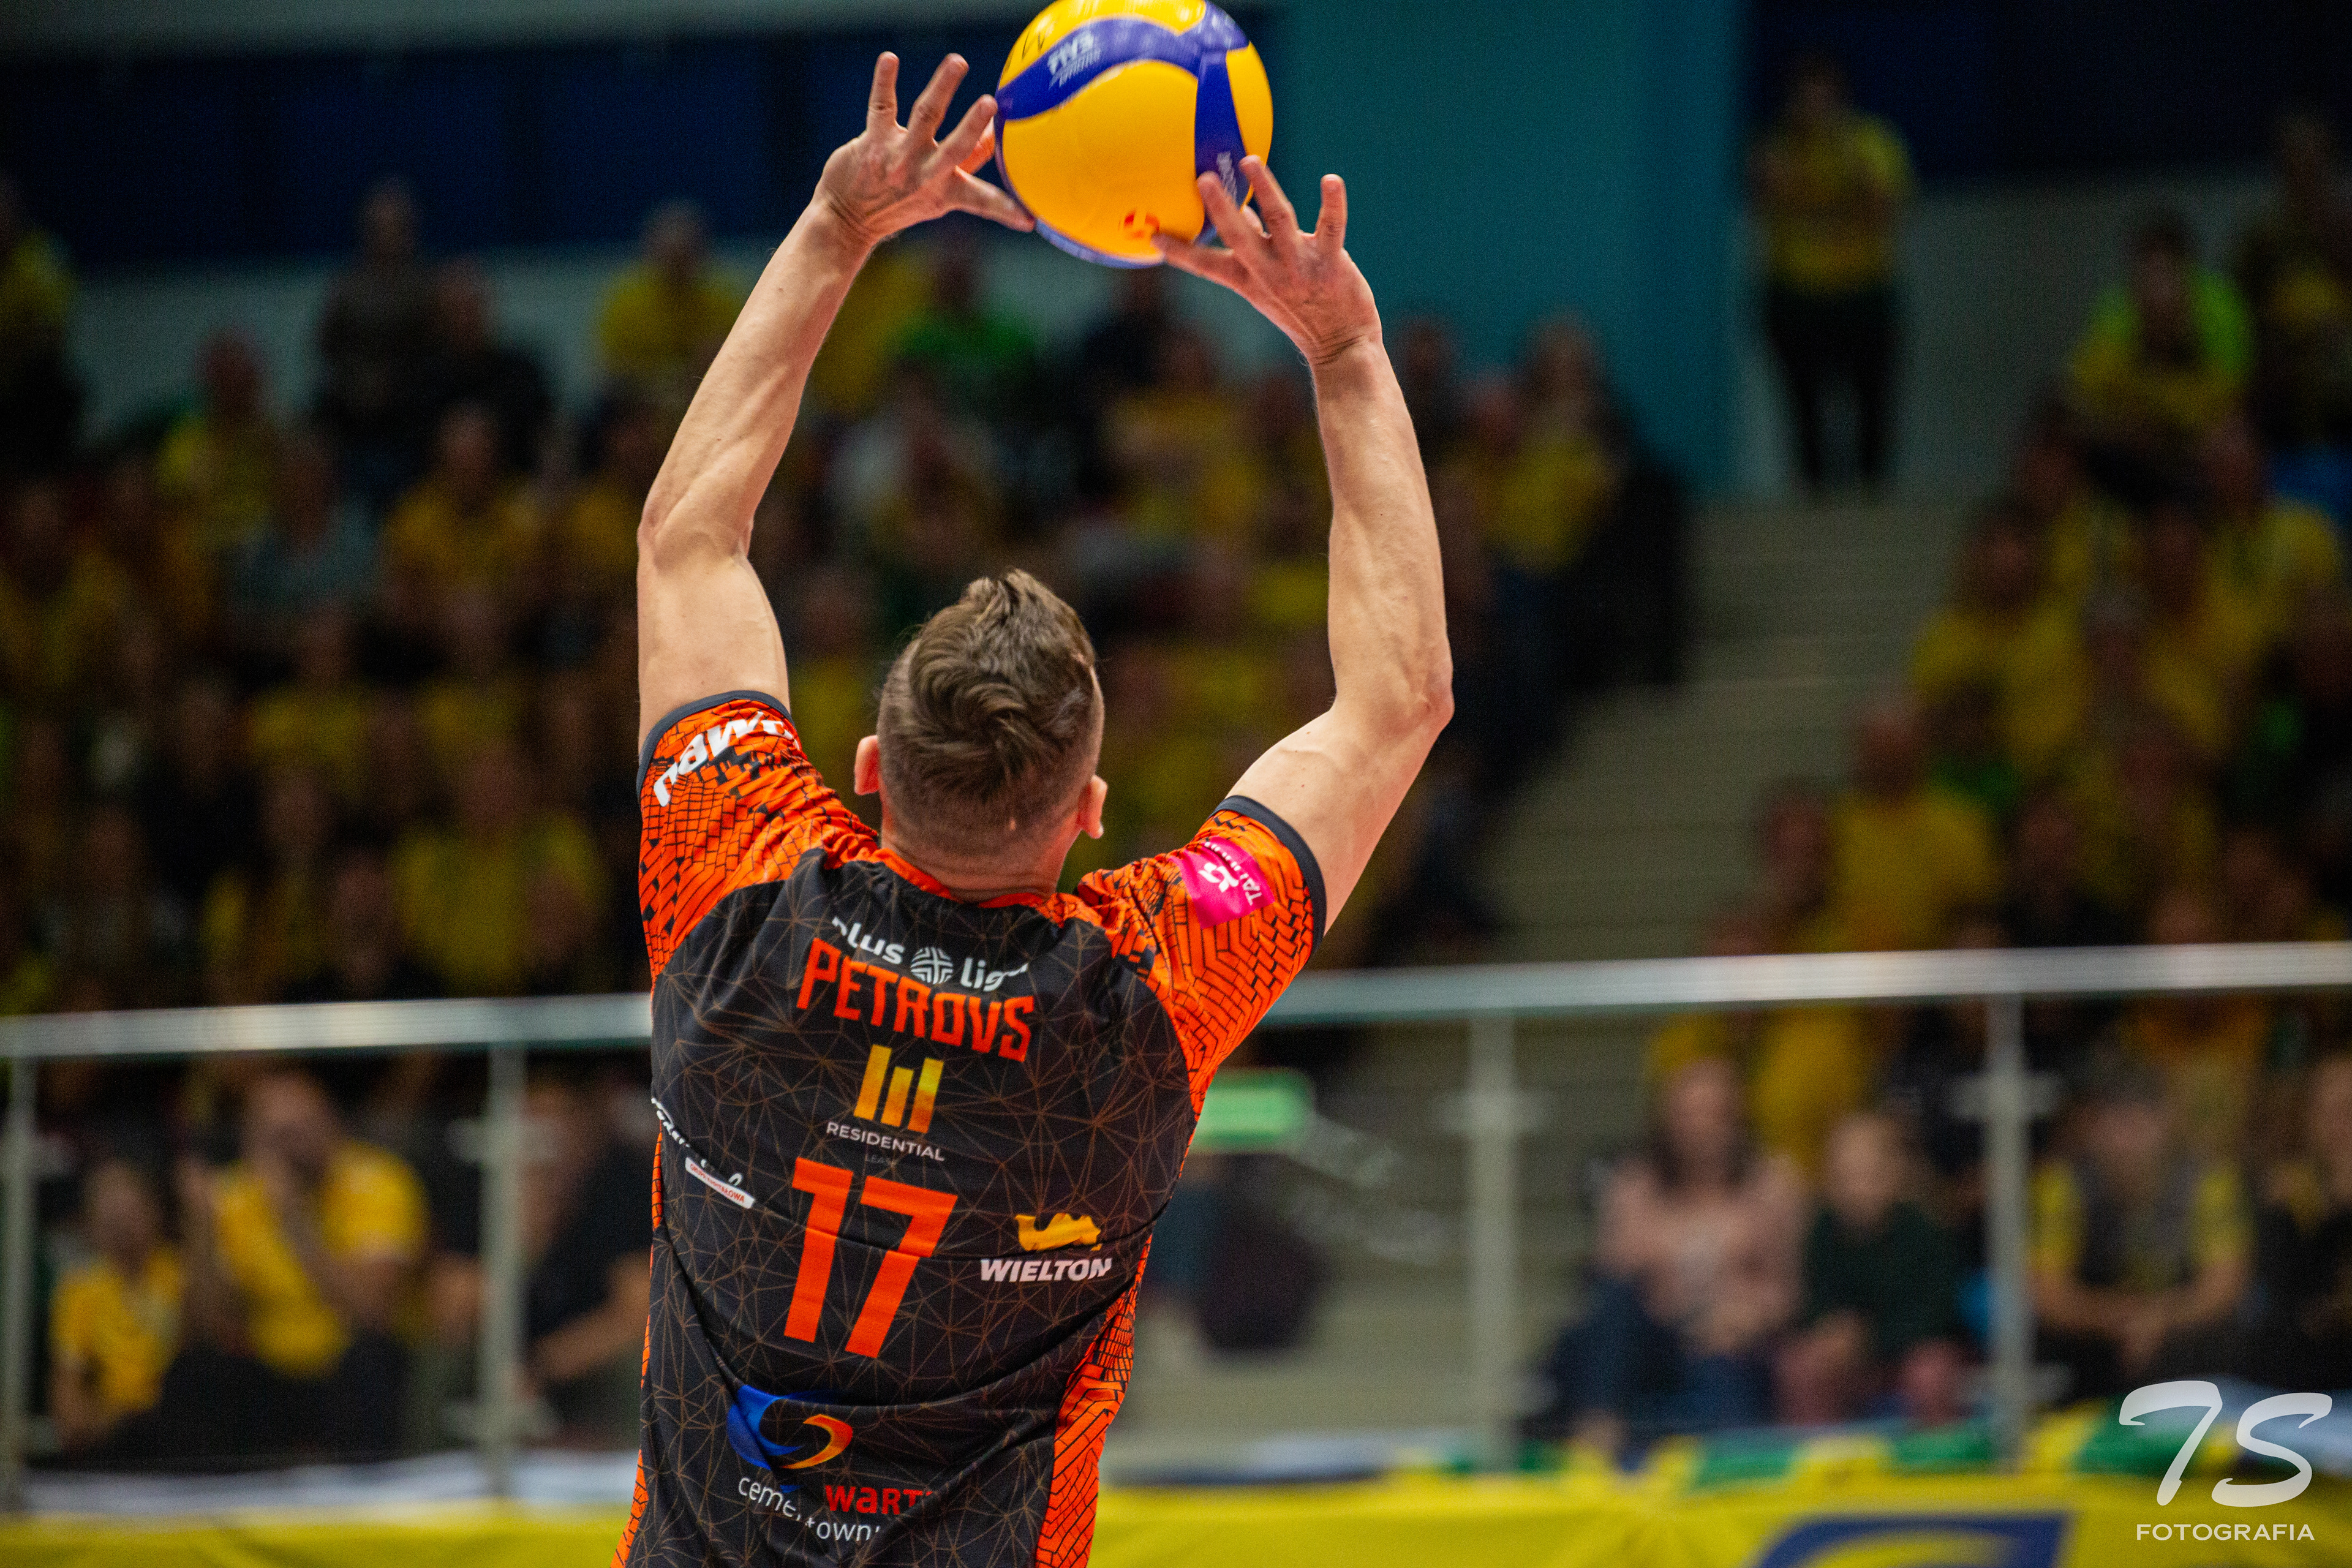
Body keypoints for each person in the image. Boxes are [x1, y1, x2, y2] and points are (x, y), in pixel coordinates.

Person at [619, 51, 1449, 1567]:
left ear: (869, 770)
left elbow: (688, 543)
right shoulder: (1149, 983)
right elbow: (1397, 700)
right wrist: (1342, 351)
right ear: (1091, 813)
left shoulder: (732, 875)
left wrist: (836, 229)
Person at [1529, 1056, 1804, 1457]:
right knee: (1609, 1312)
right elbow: (1611, 1275)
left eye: (1714, 1113)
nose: (1701, 1128)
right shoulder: (1634, 1183)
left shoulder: (1771, 1185)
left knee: (1723, 1381)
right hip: (1651, 1338)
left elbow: (1791, 1288)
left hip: (1733, 1345)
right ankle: (1597, 1431)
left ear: (1737, 1119)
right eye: (1688, 1114)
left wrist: (1748, 1316)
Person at [168, 1069, 427, 1461]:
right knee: (195, 1370)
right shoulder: (234, 1196)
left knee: (372, 1361)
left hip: (346, 1366)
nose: (292, 1150)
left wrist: (294, 1222)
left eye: (302, 1129)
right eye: (277, 1136)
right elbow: (206, 1324)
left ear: (333, 1125)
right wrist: (202, 1234)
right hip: (267, 1372)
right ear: (251, 1142)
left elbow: (372, 1312)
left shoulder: (379, 1181)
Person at [2032, 1057, 2251, 1401]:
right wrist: (2119, 1319)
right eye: (2114, 1123)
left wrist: (2159, 1318)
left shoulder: (2210, 1182)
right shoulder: (2063, 1185)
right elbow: (2048, 1294)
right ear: (2091, 1127)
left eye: (2139, 1122)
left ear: (2167, 1120)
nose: (2127, 1141)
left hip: (2184, 1348)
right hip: (2091, 1351)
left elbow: (2224, 1287)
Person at [1751, 53, 1912, 494]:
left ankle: (1873, 495)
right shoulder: (1776, 147)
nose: (1814, 108)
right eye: (1805, 98)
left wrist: (1842, 148)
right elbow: (1767, 196)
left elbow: (1884, 210)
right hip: (1797, 297)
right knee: (1804, 406)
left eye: (1824, 97)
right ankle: (1814, 496)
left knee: (1873, 402)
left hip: (1863, 294)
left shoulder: (1873, 141)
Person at [1776, 1111, 1967, 1427]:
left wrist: (1869, 1339)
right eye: (1847, 1176)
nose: (1859, 1188)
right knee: (1801, 1367)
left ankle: (1936, 1452)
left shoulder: (1925, 1231)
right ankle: (1821, 1452)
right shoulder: (1822, 1232)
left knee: (1931, 1372)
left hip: (1909, 1353)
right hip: (1848, 1361)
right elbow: (1813, 1302)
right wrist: (1830, 1333)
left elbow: (1937, 1313)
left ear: (1896, 1174)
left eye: (1870, 1174)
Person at [48, 1159, 182, 1460]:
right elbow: (67, 1393)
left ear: (154, 1212)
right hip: (114, 1437)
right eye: (110, 1219)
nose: (122, 1229)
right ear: (91, 1225)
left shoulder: (181, 1278)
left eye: (130, 1214)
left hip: (176, 1429)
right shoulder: (80, 1292)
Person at [315, 179, 435, 508]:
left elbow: (433, 351)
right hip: (351, 419)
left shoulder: (426, 286)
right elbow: (326, 345)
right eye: (379, 228)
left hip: (410, 421)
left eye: (395, 227)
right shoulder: (345, 288)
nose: (387, 236)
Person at [2251, 1053, 2352, 1390]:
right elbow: (2288, 1313)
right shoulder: (2288, 1200)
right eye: (2326, 1110)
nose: (2340, 1124)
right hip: (2304, 1384)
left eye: (2348, 1109)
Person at [597, 201, 744, 419]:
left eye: (686, 255)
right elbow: (608, 375)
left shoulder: (723, 300)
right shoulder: (626, 302)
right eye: (669, 255)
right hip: (641, 415)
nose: (676, 265)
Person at [0, 173, 82, 478]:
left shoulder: (43, 259)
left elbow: (50, 339)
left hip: (25, 383)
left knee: (49, 386)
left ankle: (41, 479)